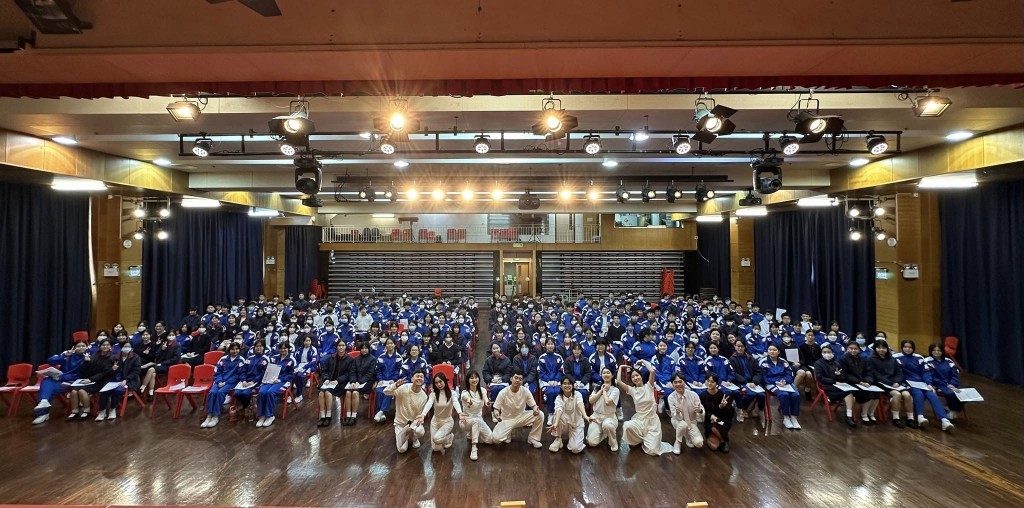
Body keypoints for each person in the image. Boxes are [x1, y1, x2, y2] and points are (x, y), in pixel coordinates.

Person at [894, 340, 953, 431]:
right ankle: (920, 417)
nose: (907, 349)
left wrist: (929, 383)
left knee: (932, 394)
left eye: (910, 347)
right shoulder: (897, 357)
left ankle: (944, 420)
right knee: (918, 393)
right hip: (907, 383)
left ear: (913, 348)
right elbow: (898, 372)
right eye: (905, 347)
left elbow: (925, 372)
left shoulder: (919, 358)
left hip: (922, 383)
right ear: (902, 347)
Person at [616, 361, 670, 456]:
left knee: (653, 451)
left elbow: (652, 371)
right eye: (633, 377)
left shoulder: (649, 386)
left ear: (641, 376)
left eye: (637, 375)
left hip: (652, 421)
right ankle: (637, 440)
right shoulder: (632, 390)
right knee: (627, 426)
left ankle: (648, 438)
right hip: (640, 420)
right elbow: (619, 381)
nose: (635, 378)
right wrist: (620, 367)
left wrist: (643, 361)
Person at [32, 341, 89, 424]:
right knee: (47, 381)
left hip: (73, 382)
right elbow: (51, 361)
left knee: (49, 389)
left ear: (87, 347)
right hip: (60, 378)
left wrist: (87, 362)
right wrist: (64, 355)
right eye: (78, 346)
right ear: (74, 347)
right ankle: (44, 403)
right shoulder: (68, 355)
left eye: (83, 346)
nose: (81, 348)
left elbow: (81, 374)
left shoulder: (88, 357)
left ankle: (43, 413)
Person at [491, 371, 544, 448]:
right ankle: (508, 433)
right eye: (516, 378)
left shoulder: (525, 391)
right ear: (511, 379)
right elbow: (496, 409)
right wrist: (497, 416)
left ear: (522, 381)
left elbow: (534, 405)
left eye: (520, 379)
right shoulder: (503, 392)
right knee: (496, 439)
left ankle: (533, 438)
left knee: (540, 414)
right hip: (506, 419)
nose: (518, 380)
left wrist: (535, 410)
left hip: (521, 417)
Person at [868, 340, 913, 428]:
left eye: (884, 348)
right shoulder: (871, 359)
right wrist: (890, 383)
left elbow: (899, 372)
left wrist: (897, 382)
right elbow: (875, 375)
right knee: (897, 395)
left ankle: (910, 418)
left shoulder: (892, 359)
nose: (881, 350)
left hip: (895, 383)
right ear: (875, 349)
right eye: (879, 348)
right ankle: (896, 417)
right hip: (881, 383)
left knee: (907, 395)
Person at [201, 342, 246, 428]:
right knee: (212, 393)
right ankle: (209, 415)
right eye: (232, 349)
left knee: (220, 393)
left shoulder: (241, 360)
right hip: (219, 381)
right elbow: (217, 372)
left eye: (237, 349)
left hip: (231, 383)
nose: (235, 351)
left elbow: (238, 375)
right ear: (229, 350)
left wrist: (226, 382)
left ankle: (215, 416)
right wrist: (219, 381)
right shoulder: (223, 359)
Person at [383, 370, 429, 453]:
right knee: (402, 450)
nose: (419, 378)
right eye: (417, 376)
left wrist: (412, 427)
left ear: (423, 380)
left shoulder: (424, 396)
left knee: (420, 431)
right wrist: (395, 385)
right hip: (400, 423)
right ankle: (403, 437)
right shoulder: (403, 388)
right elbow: (385, 392)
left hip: (412, 423)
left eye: (421, 377)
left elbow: (419, 416)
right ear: (412, 379)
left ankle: (415, 439)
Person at [837, 341, 880, 426]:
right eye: (851, 348)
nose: (853, 350)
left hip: (862, 382)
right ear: (847, 349)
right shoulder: (843, 359)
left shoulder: (863, 359)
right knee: (864, 394)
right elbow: (845, 374)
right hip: (848, 382)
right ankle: (854, 415)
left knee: (875, 393)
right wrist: (859, 382)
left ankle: (868, 414)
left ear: (859, 350)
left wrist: (868, 381)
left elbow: (868, 372)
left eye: (855, 349)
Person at [95, 342, 142, 421]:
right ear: (121, 348)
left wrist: (126, 380)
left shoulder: (135, 357)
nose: (127, 348)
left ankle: (113, 409)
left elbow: (136, 372)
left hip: (129, 380)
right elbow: (107, 372)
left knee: (116, 390)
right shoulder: (114, 357)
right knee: (104, 389)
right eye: (125, 346)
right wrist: (112, 369)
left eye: (129, 346)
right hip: (114, 379)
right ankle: (102, 411)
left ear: (131, 348)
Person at [760, 344, 802, 429]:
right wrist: (775, 382)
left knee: (796, 395)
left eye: (774, 350)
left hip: (785, 383)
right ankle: (786, 418)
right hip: (770, 383)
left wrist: (785, 381)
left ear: (778, 352)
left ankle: (794, 418)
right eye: (770, 350)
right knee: (784, 394)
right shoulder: (763, 362)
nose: (772, 351)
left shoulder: (783, 361)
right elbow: (763, 377)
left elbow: (789, 374)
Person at [256, 342, 296, 428]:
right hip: (271, 379)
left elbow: (292, 375)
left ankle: (269, 415)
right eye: (281, 348)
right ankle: (261, 415)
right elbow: (268, 369)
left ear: (288, 349)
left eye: (285, 348)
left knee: (271, 392)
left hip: (283, 381)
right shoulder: (274, 358)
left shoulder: (291, 360)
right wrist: (266, 379)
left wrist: (280, 379)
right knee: (262, 391)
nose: (283, 350)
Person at [547, 376, 589, 454]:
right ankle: (558, 439)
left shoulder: (578, 394)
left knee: (575, 449)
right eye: (565, 383)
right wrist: (555, 423)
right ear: (561, 386)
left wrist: (585, 416)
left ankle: (572, 437)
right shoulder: (558, 398)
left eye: (569, 383)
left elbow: (580, 404)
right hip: (564, 423)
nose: (567, 385)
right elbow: (559, 410)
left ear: (573, 385)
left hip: (576, 424)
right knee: (556, 416)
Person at [423, 372, 462, 453]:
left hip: (447, 421)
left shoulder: (452, 393)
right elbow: (429, 403)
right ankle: (447, 438)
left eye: (440, 381)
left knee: (436, 439)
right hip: (435, 421)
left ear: (444, 381)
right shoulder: (433, 394)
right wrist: (423, 414)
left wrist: (460, 413)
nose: (439, 384)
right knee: (436, 448)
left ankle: (449, 437)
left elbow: (456, 402)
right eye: (436, 383)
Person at [317, 344, 356, 427]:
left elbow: (349, 374)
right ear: (337, 347)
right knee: (321, 393)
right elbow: (324, 370)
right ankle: (323, 416)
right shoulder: (331, 358)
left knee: (327, 393)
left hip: (341, 383)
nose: (341, 347)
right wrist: (326, 378)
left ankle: (328, 416)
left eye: (343, 345)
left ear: (345, 347)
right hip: (330, 382)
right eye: (339, 346)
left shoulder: (350, 359)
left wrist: (338, 380)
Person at [667, 373, 705, 454]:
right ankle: (678, 442)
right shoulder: (671, 397)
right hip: (678, 421)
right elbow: (676, 417)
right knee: (683, 424)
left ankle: (687, 436)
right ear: (672, 384)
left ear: (684, 382)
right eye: (675, 382)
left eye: (680, 381)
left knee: (699, 443)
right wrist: (677, 412)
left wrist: (700, 411)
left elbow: (701, 413)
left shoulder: (693, 395)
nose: (678, 384)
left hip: (691, 422)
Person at [460, 371, 494, 461]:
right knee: (476, 420)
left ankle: (472, 432)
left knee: (490, 440)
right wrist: (468, 401)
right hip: (466, 420)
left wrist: (487, 402)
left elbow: (485, 398)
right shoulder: (465, 392)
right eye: (471, 378)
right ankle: (474, 447)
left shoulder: (482, 390)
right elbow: (466, 398)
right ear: (468, 380)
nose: (474, 380)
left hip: (478, 419)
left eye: (476, 377)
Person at [926, 343, 964, 422]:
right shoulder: (928, 361)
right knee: (951, 393)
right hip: (938, 385)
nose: (936, 352)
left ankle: (951, 409)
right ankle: (951, 410)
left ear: (942, 351)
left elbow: (954, 375)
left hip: (951, 384)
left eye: (939, 350)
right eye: (934, 350)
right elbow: (932, 377)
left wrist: (952, 384)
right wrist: (947, 385)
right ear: (930, 351)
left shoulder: (949, 361)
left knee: (964, 394)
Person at [728, 340, 764, 423]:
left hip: (753, 382)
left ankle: (757, 408)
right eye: (738, 346)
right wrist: (745, 382)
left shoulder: (751, 358)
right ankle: (742, 408)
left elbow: (758, 372)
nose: (740, 348)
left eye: (742, 346)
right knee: (750, 394)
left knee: (762, 395)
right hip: (741, 382)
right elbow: (734, 373)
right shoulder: (732, 359)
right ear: (735, 347)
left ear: (745, 347)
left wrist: (754, 381)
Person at [586, 367, 620, 451]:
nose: (606, 374)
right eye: (604, 373)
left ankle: (613, 442)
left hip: (609, 417)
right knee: (592, 443)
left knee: (607, 425)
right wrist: (601, 391)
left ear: (612, 375)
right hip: (596, 417)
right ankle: (605, 434)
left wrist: (604, 391)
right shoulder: (597, 388)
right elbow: (591, 401)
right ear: (601, 375)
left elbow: (608, 402)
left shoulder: (615, 390)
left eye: (608, 373)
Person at [699, 374, 735, 453]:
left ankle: (724, 441)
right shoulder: (702, 396)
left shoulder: (723, 395)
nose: (709, 383)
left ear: (716, 383)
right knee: (714, 447)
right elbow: (702, 411)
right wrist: (710, 416)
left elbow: (730, 414)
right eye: (708, 381)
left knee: (715, 427)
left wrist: (723, 406)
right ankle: (722, 438)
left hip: (721, 420)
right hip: (709, 420)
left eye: (712, 382)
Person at [234, 341, 269, 420]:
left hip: (256, 382)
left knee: (245, 394)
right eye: (256, 346)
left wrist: (253, 381)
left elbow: (264, 374)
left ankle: (248, 407)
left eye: (260, 346)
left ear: (264, 348)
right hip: (246, 381)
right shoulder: (249, 358)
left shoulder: (265, 359)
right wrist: (243, 380)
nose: (258, 348)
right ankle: (248, 405)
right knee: (236, 393)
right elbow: (243, 371)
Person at [373, 338, 404, 423]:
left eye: (391, 343)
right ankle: (382, 413)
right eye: (388, 344)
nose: (389, 345)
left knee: (389, 391)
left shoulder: (398, 357)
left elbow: (399, 370)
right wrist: (379, 379)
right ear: (385, 345)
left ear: (394, 345)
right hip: (382, 380)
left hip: (393, 381)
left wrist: (394, 379)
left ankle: (380, 411)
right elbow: (378, 370)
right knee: (379, 392)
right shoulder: (381, 357)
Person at [141, 335, 181, 399]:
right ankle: (151, 394)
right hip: (160, 364)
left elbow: (175, 359)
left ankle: (142, 388)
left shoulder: (177, 345)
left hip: (170, 366)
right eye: (169, 335)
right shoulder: (164, 344)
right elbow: (157, 356)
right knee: (153, 374)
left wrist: (162, 363)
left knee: (151, 370)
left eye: (172, 335)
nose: (171, 337)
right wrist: (162, 350)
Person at [350, 341, 377, 423]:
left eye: (366, 348)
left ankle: (353, 416)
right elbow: (352, 371)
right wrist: (353, 381)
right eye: (362, 348)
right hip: (356, 381)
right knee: (348, 392)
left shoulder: (373, 359)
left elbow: (370, 374)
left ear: (369, 349)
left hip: (368, 381)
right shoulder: (356, 359)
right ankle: (348, 415)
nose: (364, 350)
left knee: (355, 392)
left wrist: (360, 382)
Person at [538, 338, 564, 424]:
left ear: (554, 345)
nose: (550, 346)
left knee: (557, 391)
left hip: (557, 381)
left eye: (552, 344)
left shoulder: (558, 357)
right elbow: (541, 372)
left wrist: (556, 380)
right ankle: (550, 414)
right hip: (546, 381)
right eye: (548, 344)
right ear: (545, 345)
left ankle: (557, 413)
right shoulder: (542, 358)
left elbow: (561, 371)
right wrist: (549, 381)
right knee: (550, 392)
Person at [292, 335, 319, 404]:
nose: (307, 342)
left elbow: (313, 361)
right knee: (291, 375)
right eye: (306, 341)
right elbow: (295, 360)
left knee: (300, 376)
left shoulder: (313, 349)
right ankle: (290, 395)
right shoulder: (299, 349)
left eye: (309, 341)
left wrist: (304, 367)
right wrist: (296, 367)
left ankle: (299, 395)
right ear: (303, 342)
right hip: (299, 365)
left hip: (309, 366)